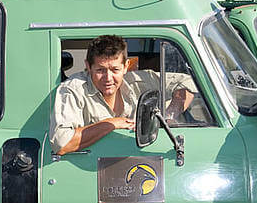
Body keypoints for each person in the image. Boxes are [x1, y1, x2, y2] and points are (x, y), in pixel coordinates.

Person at [50, 34, 195, 155]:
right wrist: (111, 124)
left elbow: (188, 82)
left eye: (115, 70)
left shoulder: (138, 80)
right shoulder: (72, 89)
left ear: (126, 67)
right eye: (100, 70)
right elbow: (61, 143)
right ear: (88, 66)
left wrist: (169, 114)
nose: (108, 78)